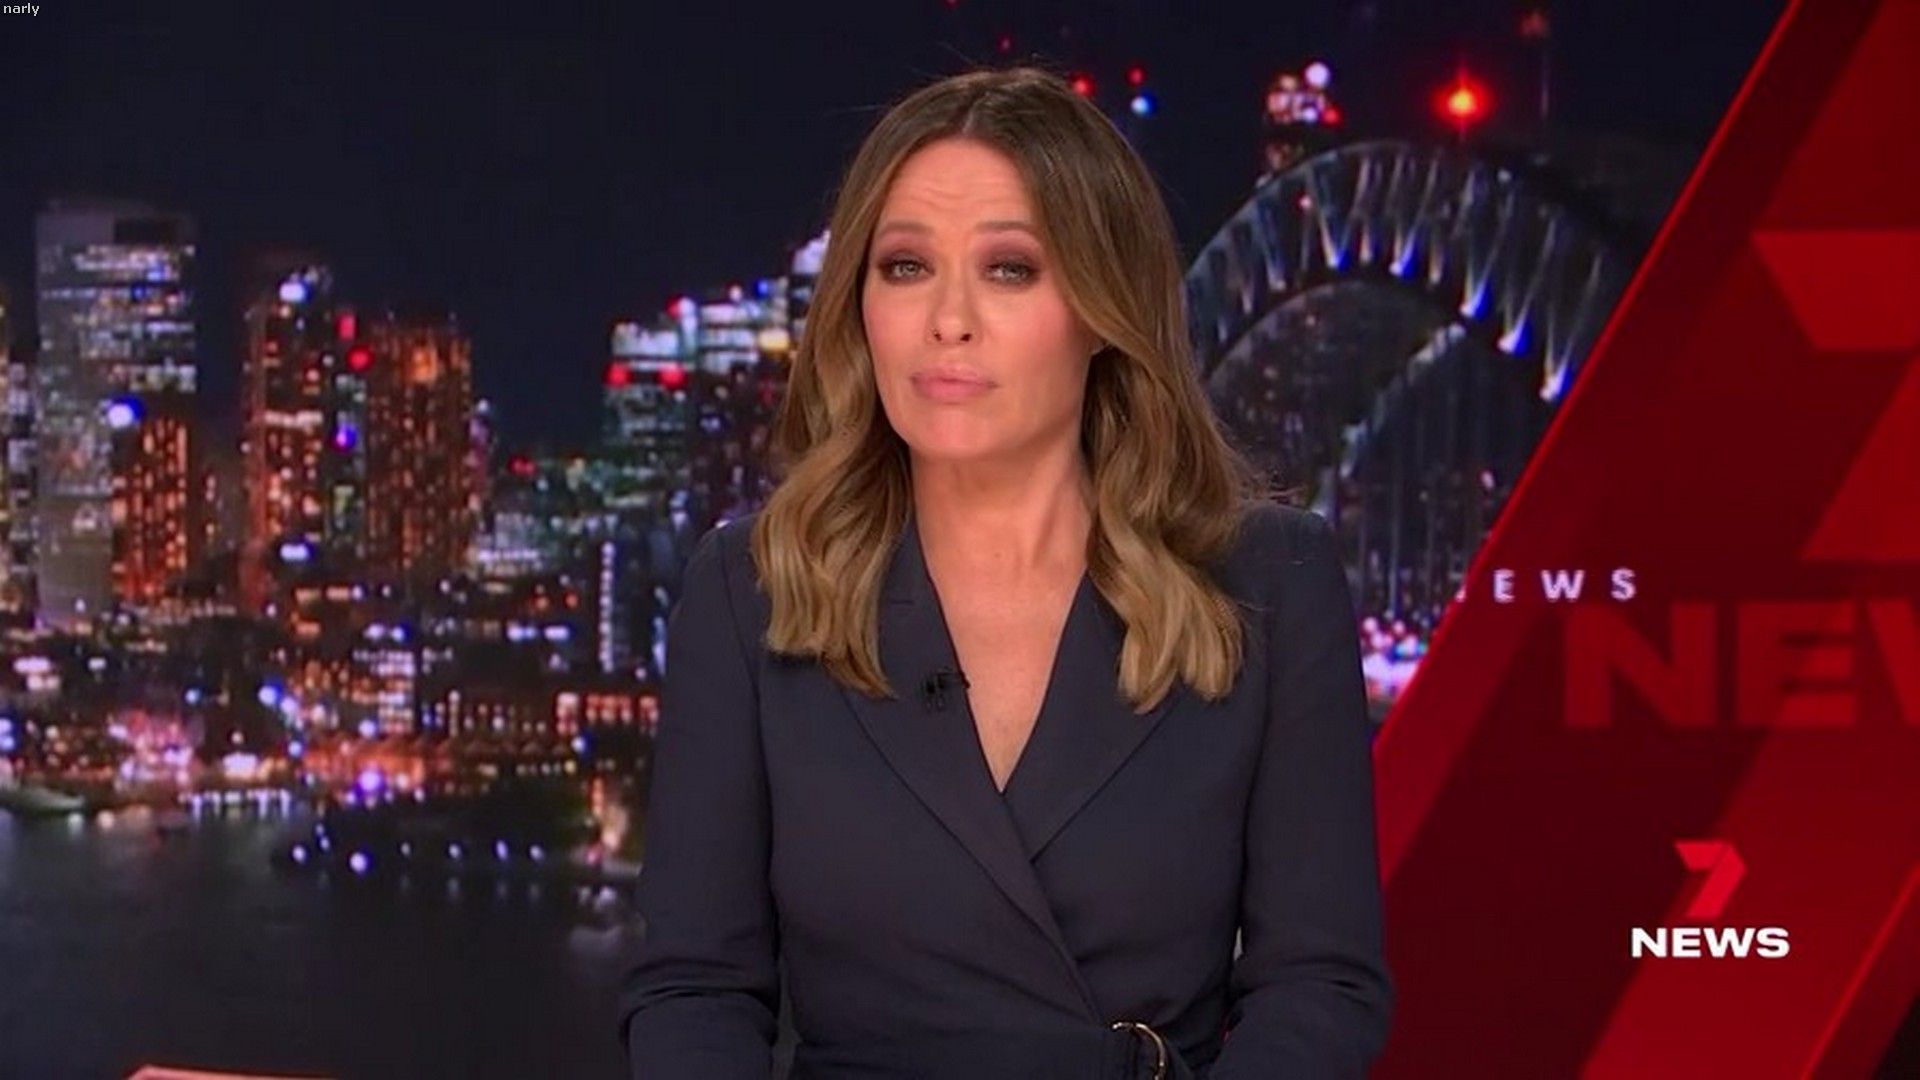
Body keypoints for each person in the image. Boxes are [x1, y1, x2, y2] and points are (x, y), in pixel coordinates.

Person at [621, 65, 1392, 1080]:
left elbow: (1319, 988)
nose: (948, 320)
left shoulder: (1269, 581)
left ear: (1103, 308)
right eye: (905, 267)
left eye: (1010, 269)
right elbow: (694, 992)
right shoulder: (752, 589)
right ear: (859, 304)